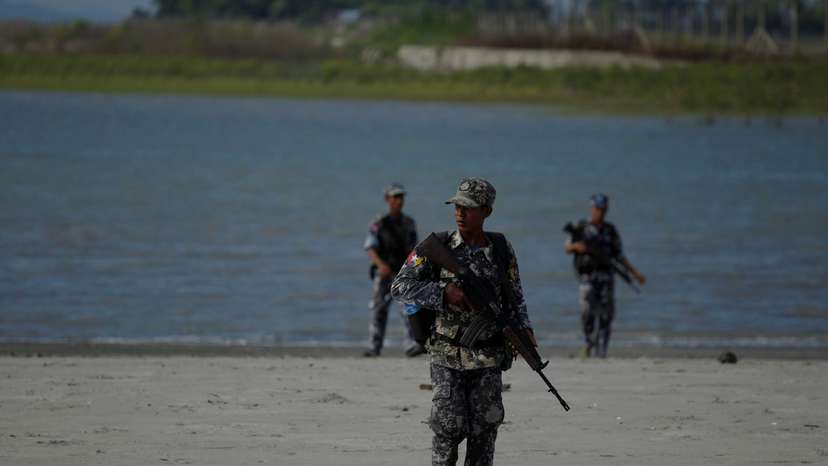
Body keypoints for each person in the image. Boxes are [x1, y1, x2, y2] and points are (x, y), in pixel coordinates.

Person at [392, 177, 535, 466]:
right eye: (456, 206)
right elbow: (398, 287)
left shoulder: (501, 248)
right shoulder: (437, 246)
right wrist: (444, 293)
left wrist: (525, 331)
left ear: (486, 212)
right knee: (447, 428)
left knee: (485, 431)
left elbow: (515, 296)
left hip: (488, 357)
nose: (459, 212)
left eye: (467, 207)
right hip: (447, 356)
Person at [564, 193, 646, 358]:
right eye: (597, 208)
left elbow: (620, 256)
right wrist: (576, 247)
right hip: (587, 277)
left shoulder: (610, 230)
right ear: (592, 208)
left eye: (603, 209)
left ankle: (602, 351)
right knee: (587, 313)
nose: (600, 212)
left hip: (606, 277)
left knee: (606, 315)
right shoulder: (582, 227)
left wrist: (635, 274)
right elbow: (567, 246)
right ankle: (589, 344)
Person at [363, 183, 424, 358]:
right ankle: (374, 347)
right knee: (378, 310)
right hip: (383, 273)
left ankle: (411, 345)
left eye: (401, 197)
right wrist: (380, 265)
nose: (399, 200)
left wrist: (415, 271)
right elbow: (370, 247)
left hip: (403, 273)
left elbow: (415, 250)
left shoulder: (409, 223)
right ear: (387, 199)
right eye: (395, 197)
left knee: (408, 310)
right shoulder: (379, 223)